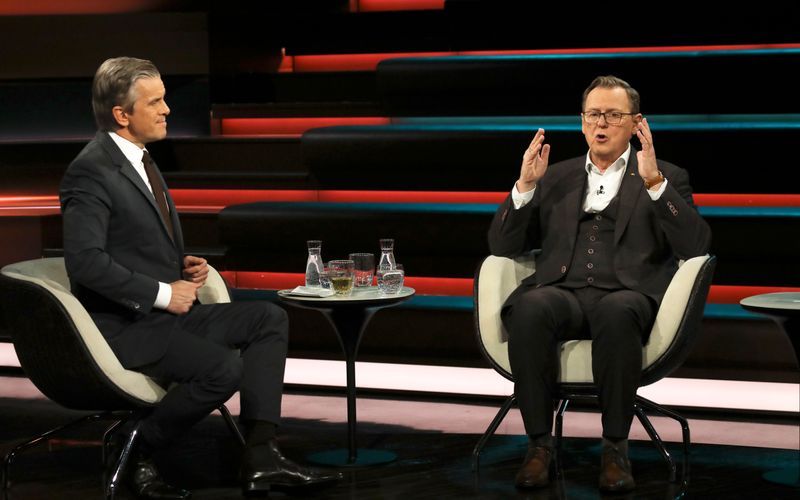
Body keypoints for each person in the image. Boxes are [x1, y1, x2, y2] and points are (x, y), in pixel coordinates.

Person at [60, 57, 341, 499]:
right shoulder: (90, 170)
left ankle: (261, 456)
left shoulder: (141, 161)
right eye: (154, 102)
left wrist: (182, 269)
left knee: (268, 318)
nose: (167, 109)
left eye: (164, 98)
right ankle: (137, 446)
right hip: (126, 327)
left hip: (167, 314)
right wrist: (160, 292)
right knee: (222, 368)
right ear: (122, 114)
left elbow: (132, 243)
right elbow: (85, 262)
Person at [488, 75, 711, 492]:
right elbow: (503, 244)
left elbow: (696, 246)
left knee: (617, 310)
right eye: (593, 115)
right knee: (532, 308)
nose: (601, 124)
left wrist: (654, 184)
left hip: (627, 294)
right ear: (581, 122)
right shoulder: (555, 177)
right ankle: (538, 446)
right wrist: (525, 186)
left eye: (613, 115)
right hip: (563, 292)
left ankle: (615, 449)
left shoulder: (666, 176)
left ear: (636, 123)